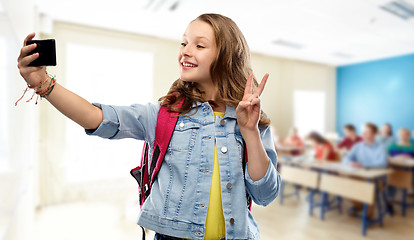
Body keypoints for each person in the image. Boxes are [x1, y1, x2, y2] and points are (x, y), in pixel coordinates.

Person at [17, 14, 280, 240]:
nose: (185, 51)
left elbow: (265, 194)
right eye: (184, 42)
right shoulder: (165, 114)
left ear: (226, 56)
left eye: (199, 45)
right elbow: (97, 117)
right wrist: (43, 83)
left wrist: (250, 132)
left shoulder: (251, 120)